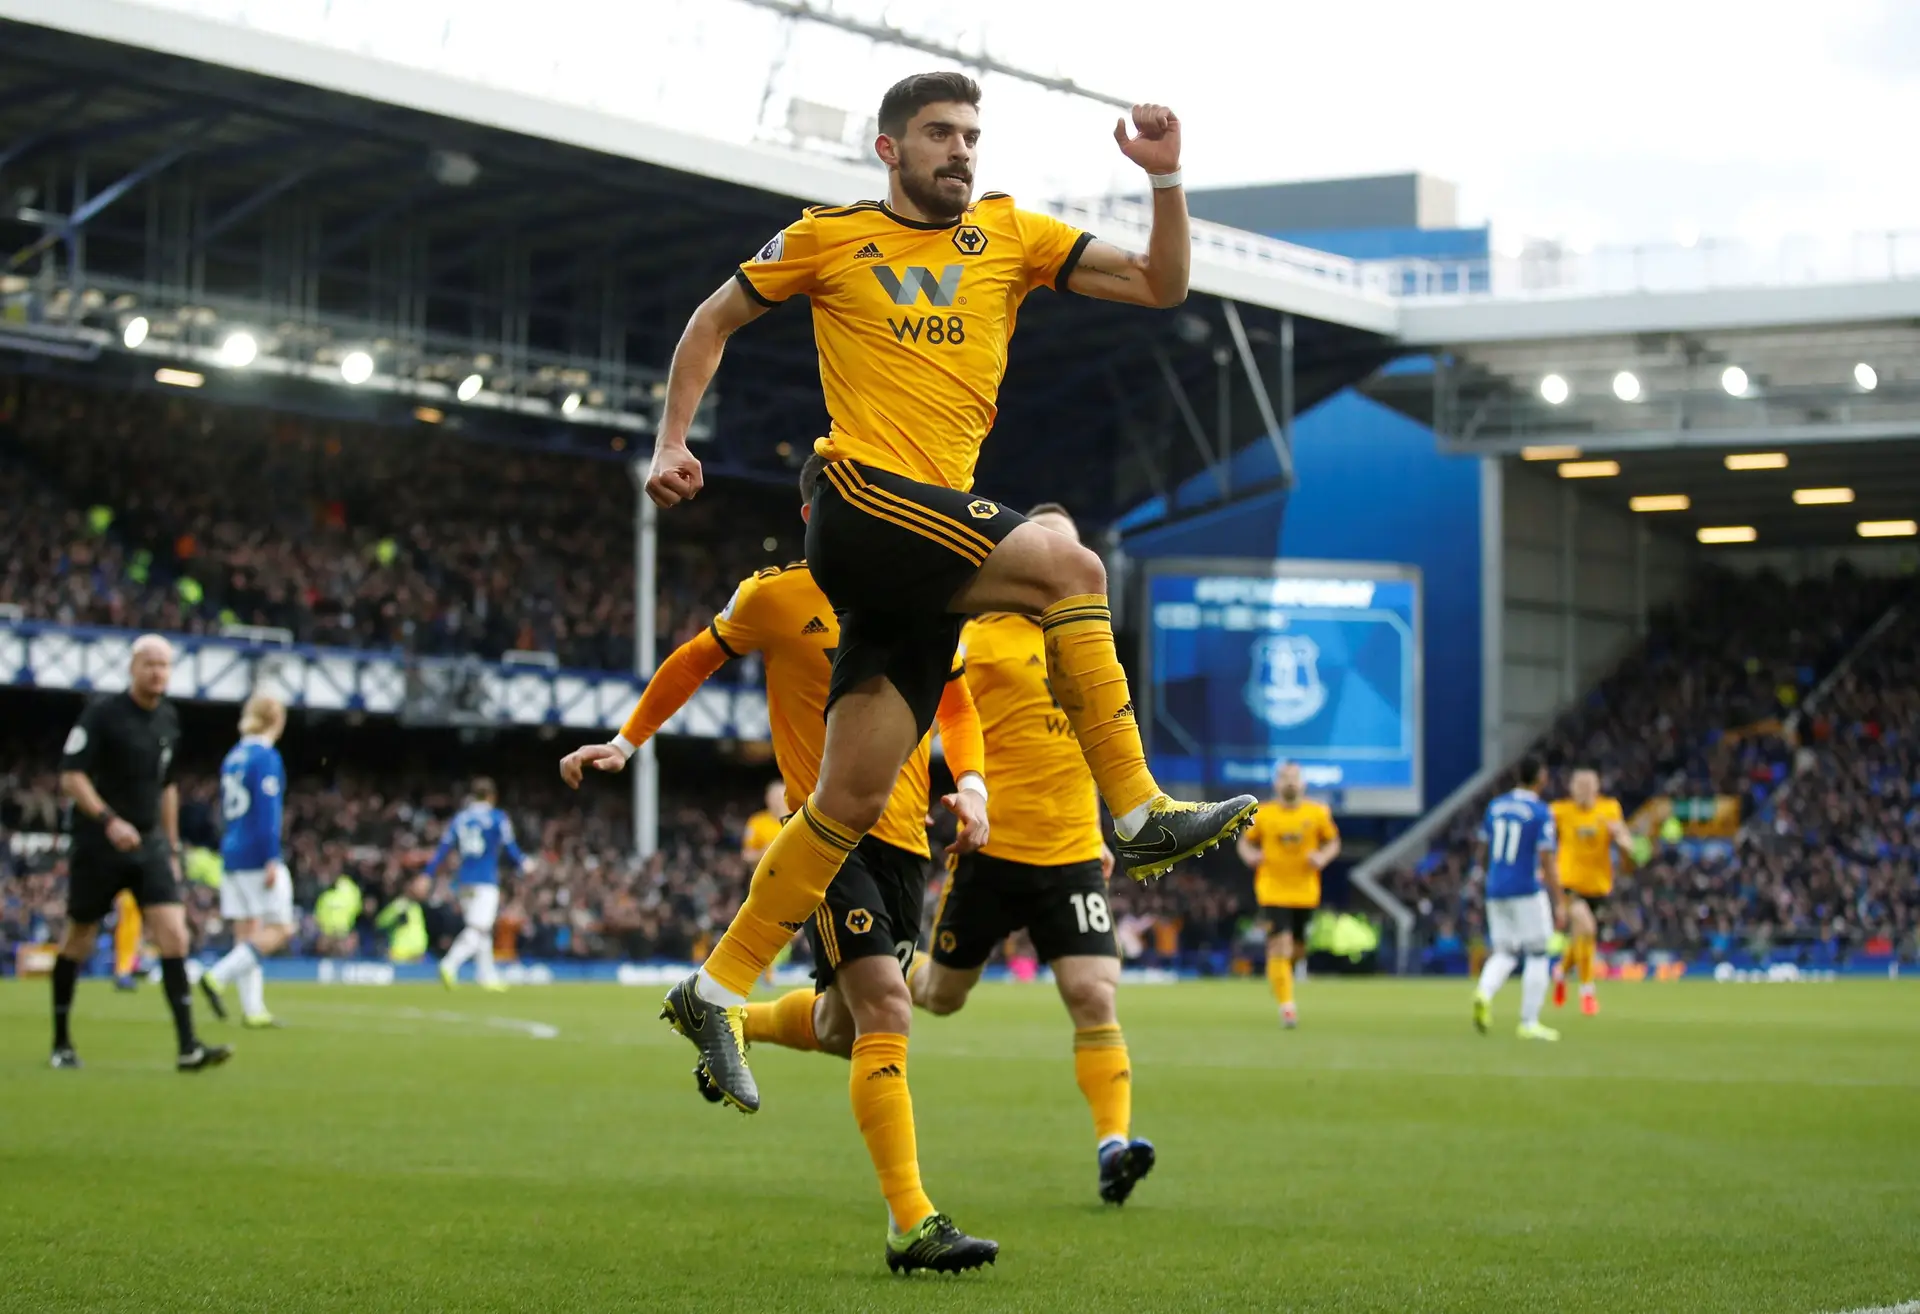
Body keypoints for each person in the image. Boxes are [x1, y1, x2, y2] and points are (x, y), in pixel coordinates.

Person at [615, 69, 1257, 1121]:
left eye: (971, 134)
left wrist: (1169, 179)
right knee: (1070, 564)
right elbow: (711, 320)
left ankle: (717, 985)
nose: (961, 151)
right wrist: (672, 441)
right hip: (862, 499)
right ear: (889, 150)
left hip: (925, 552)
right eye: (939, 135)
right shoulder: (830, 237)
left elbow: (1159, 285)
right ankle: (1137, 809)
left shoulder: (1011, 235)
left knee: (851, 798)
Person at [562, 455, 999, 1273]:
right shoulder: (773, 596)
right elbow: (696, 655)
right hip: (828, 838)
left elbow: (954, 698)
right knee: (887, 1012)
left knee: (841, 1029)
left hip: (907, 842)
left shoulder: (921, 592)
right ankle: (914, 1224)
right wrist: (626, 743)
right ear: (817, 518)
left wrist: (970, 783)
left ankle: (740, 1020)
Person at [911, 503, 1154, 1205]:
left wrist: (1109, 829)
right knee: (940, 997)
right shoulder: (979, 638)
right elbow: (937, 717)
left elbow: (1101, 737)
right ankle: (888, 956)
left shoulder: (1090, 641)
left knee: (1093, 992)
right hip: (992, 852)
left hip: (1072, 852)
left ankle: (1113, 1147)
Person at [50, 634, 233, 1072]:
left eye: (165, 665)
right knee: (80, 937)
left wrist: (169, 847)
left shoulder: (169, 720)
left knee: (174, 935)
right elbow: (71, 777)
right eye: (150, 664)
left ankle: (188, 1046)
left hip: (148, 845)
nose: (157, 672)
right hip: (99, 844)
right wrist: (109, 820)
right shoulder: (103, 714)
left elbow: (166, 787)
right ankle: (61, 1042)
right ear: (133, 666)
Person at [200, 694, 293, 1028]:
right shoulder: (265, 757)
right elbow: (269, 812)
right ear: (276, 720)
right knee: (281, 928)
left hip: (232, 851)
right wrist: (272, 857)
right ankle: (216, 977)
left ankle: (253, 1010)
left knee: (247, 933)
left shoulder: (233, 756)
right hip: (256, 852)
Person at [1236, 762, 1341, 1029]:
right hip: (1273, 890)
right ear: (1277, 784)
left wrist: (1322, 857)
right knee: (1279, 945)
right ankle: (1287, 1008)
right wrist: (1251, 857)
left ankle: (1283, 979)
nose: (1290, 782)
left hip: (1305, 892)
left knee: (1296, 950)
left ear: (1303, 783)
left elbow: (1333, 842)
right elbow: (1245, 842)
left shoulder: (1317, 813)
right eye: (1285, 778)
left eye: (1294, 778)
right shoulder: (1265, 814)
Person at [1472, 756, 1565, 1042]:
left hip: (1495, 889)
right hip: (1526, 889)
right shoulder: (1539, 812)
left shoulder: (1495, 806)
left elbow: (1482, 850)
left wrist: (1488, 879)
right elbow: (1547, 859)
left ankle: (1483, 992)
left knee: (1505, 952)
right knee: (1538, 954)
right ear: (1540, 778)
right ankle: (1529, 1021)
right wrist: (1558, 899)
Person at [426, 779, 530, 991]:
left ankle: (487, 977)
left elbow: (443, 848)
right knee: (479, 928)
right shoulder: (497, 818)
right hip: (485, 881)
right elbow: (510, 847)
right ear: (492, 796)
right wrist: (524, 864)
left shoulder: (460, 818)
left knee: (481, 929)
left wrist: (428, 873)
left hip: (464, 881)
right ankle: (449, 963)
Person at [1548, 766, 1633, 1015]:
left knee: (1581, 938)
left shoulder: (1609, 809)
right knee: (1587, 928)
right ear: (1571, 788)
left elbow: (1623, 838)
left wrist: (1624, 841)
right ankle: (1587, 992)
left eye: (1589, 786)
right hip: (1569, 883)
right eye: (1579, 786)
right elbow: (1540, 839)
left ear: (1597, 788)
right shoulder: (1560, 811)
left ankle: (1561, 971)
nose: (1584, 791)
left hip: (1598, 886)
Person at [741, 780, 785, 864]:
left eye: (781, 797)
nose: (778, 802)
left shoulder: (797, 820)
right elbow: (746, 856)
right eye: (775, 798)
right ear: (767, 798)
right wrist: (765, 852)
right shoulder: (756, 822)